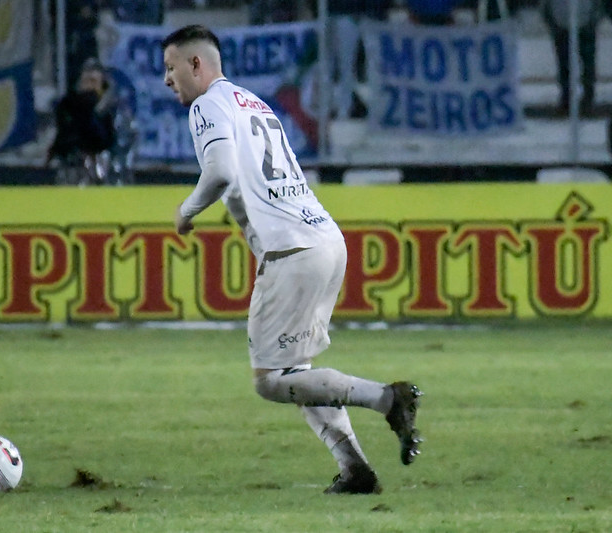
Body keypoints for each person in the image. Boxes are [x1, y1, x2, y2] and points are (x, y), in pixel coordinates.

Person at [160, 24, 423, 495]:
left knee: (270, 380)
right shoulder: (254, 103)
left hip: (293, 251)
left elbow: (218, 172)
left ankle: (388, 399)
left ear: (196, 64)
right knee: (300, 373)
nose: (167, 79)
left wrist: (185, 211)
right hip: (324, 238)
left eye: (170, 67)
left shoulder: (207, 106)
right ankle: (356, 469)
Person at [46, 58, 117, 185]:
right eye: (86, 81)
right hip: (73, 165)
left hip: (104, 164)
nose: (90, 86)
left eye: (93, 81)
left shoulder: (112, 109)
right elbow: (63, 135)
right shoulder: (68, 106)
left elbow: (115, 140)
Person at [541, 0, 602, 116]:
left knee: (586, 64)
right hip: (563, 24)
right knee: (565, 65)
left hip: (583, 24)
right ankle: (567, 98)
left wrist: (594, 20)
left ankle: (587, 98)